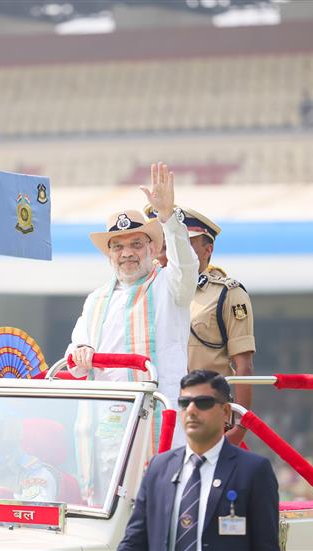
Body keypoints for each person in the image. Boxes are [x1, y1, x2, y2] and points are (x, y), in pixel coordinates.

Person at [66, 162, 198, 412]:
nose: (127, 253)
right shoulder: (96, 299)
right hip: (106, 416)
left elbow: (187, 266)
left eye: (136, 244)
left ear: (152, 249)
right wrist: (81, 350)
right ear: (109, 256)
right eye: (118, 247)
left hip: (158, 413)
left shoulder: (169, 284)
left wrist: (168, 217)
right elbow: (76, 352)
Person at [118, 370, 279, 551]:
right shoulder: (159, 467)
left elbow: (266, 546)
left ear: (226, 412)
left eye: (203, 402)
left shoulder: (253, 471)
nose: (192, 410)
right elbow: (134, 542)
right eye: (184, 403)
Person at [144, 206, 255, 415]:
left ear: (208, 249)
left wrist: (241, 423)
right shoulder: (149, 291)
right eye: (165, 244)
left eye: (184, 244)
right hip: (159, 408)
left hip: (205, 409)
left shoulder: (227, 293)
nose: (170, 252)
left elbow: (244, 366)